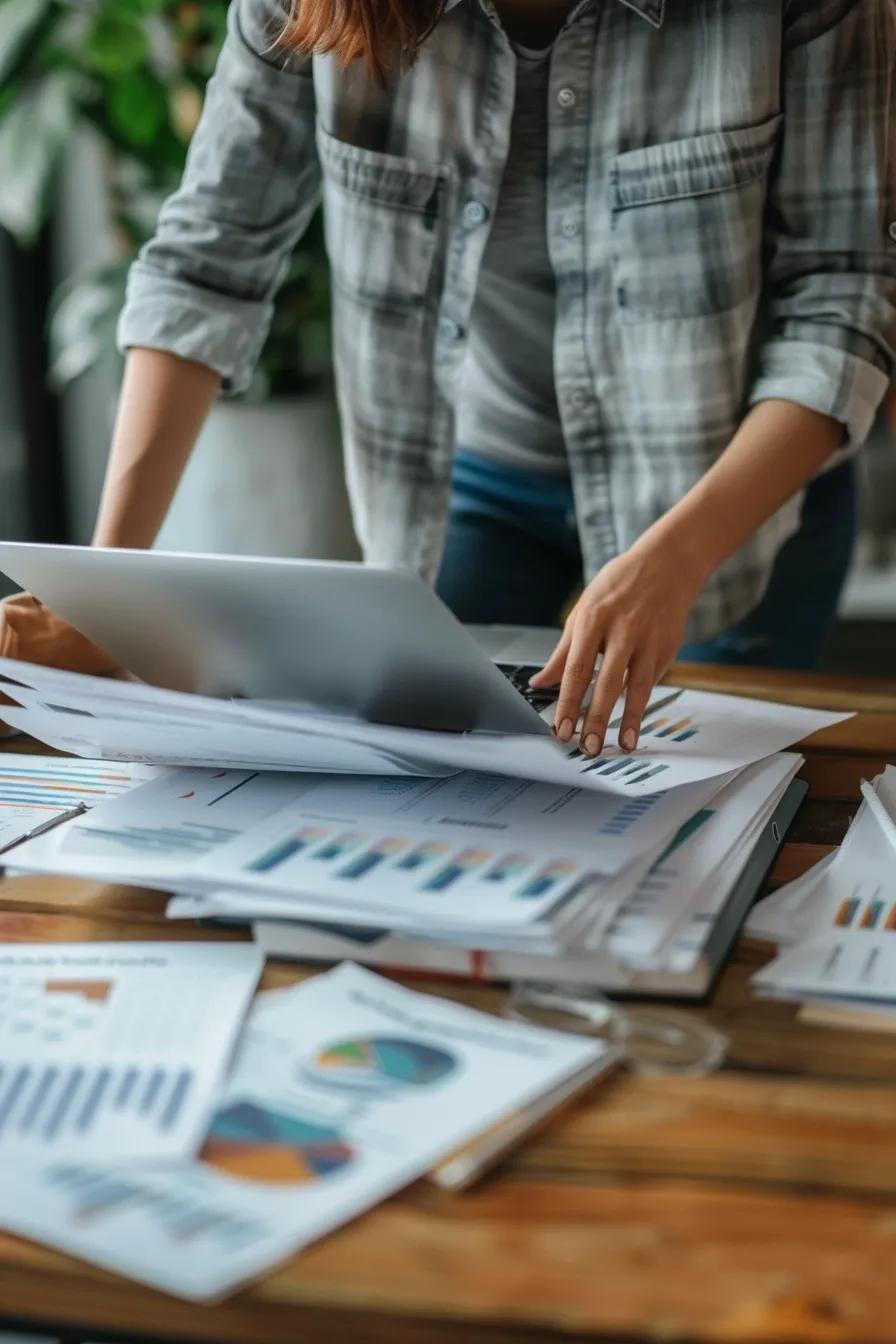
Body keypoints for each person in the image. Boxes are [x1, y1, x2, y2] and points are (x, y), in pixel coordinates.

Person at [11, 0, 896, 756]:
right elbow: (207, 262)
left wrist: (678, 557)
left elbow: (846, 298)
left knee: (728, 829)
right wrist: (102, 595)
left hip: (732, 508)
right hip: (471, 489)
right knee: (439, 788)